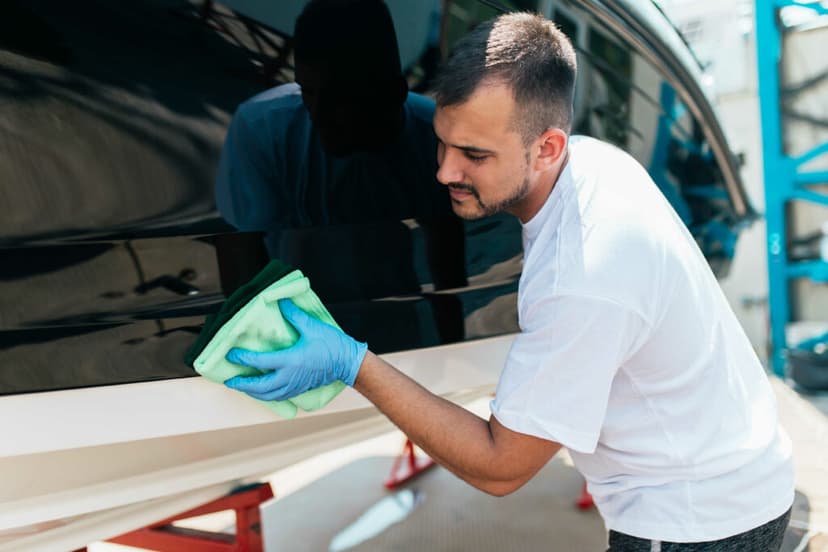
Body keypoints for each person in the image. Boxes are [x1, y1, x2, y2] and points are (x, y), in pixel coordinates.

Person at [223, 12, 795, 550]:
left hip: (698, 519)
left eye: (474, 154)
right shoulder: (594, 162)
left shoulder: (584, 272)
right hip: (738, 473)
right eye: (441, 141)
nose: (445, 171)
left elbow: (502, 468)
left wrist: (354, 364)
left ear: (547, 147)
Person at [214, 0, 466, 346]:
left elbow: (448, 266)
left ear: (392, 93)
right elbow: (241, 260)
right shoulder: (263, 128)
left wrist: (451, 352)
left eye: (338, 98)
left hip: (396, 340)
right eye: (307, 92)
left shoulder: (435, 140)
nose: (318, 114)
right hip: (293, 339)